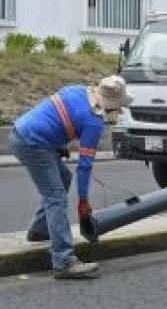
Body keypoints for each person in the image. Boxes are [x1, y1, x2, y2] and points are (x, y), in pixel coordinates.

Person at [9, 76, 132, 279]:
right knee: (55, 197)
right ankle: (64, 261)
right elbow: (84, 167)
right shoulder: (94, 122)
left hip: (23, 132)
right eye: (117, 108)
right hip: (33, 143)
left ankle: (39, 231)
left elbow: (57, 114)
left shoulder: (78, 90)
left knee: (63, 177)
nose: (118, 112)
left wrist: (59, 145)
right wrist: (83, 201)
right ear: (111, 106)